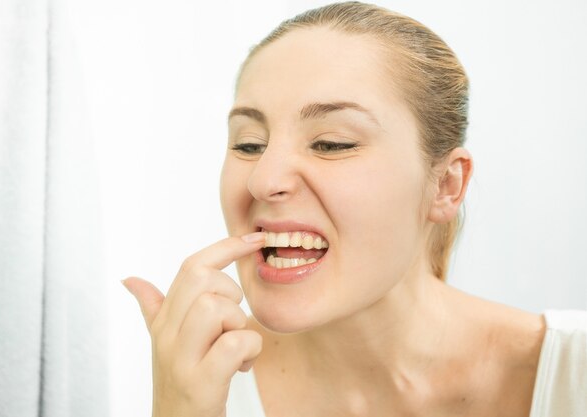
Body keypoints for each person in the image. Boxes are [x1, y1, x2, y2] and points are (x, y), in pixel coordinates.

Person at [122, 2, 587, 416]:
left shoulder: (575, 373)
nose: (263, 179)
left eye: (331, 143)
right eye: (249, 143)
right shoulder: (204, 386)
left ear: (446, 185)